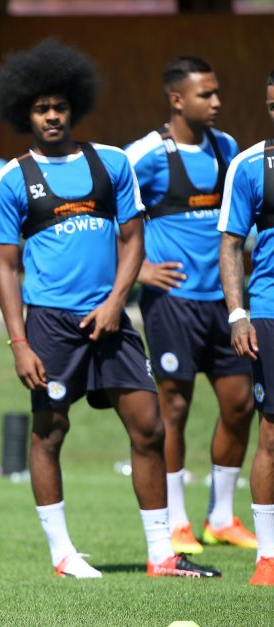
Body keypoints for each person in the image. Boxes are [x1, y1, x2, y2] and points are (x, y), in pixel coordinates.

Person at [0, 38, 220, 579]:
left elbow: (134, 240)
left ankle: (162, 554)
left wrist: (118, 301)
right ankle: (63, 555)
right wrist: (19, 343)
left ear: (74, 109)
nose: (51, 116)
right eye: (41, 109)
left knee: (149, 426)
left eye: (59, 107)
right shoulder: (11, 178)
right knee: (49, 432)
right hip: (49, 323)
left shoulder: (110, 163)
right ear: (27, 112)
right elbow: (5, 268)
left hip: (111, 320)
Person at [126, 56, 256, 555]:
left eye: (218, 92)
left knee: (241, 404)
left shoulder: (228, 151)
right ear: (176, 99)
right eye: (207, 94)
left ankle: (220, 517)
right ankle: (177, 521)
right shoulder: (144, 155)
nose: (217, 102)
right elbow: (105, 214)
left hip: (224, 304)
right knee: (173, 408)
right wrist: (137, 271)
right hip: (172, 303)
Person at [216, 69, 274, 586]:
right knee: (272, 432)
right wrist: (238, 315)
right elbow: (232, 243)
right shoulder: (251, 165)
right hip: (270, 313)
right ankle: (269, 558)